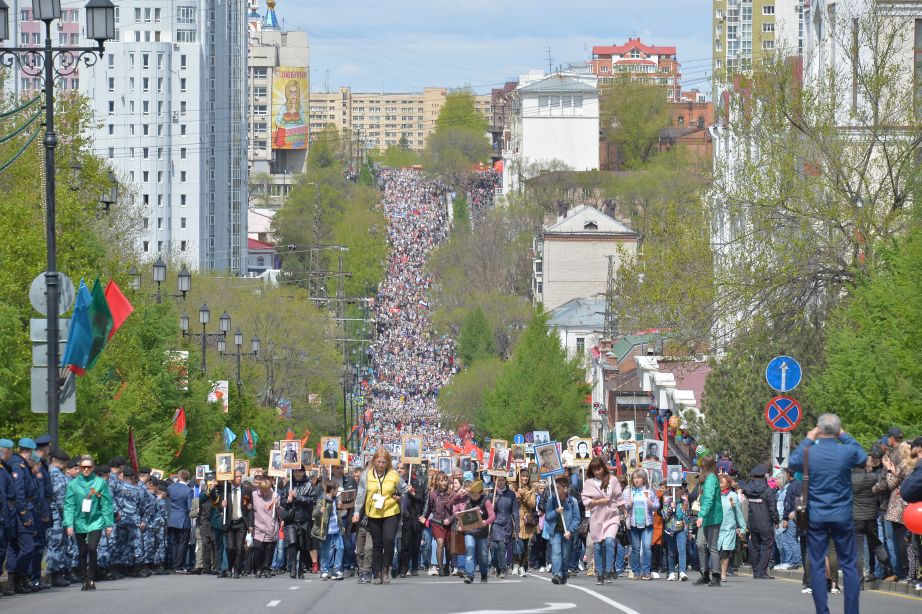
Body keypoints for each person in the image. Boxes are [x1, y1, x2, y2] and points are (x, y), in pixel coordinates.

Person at [788, 413, 867, 614]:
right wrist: (844, 435)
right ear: (838, 430)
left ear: (819, 429)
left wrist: (809, 438)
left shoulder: (809, 452)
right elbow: (862, 456)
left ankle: (822, 611)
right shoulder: (846, 451)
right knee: (848, 565)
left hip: (817, 515)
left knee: (816, 564)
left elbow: (793, 462)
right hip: (842, 514)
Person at [353, 448, 407, 585]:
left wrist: (399, 496)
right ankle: (377, 573)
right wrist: (356, 512)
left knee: (388, 540)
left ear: (388, 462)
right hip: (373, 513)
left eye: (384, 462)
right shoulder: (366, 475)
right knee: (376, 544)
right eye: (378, 462)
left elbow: (404, 489)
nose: (381, 465)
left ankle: (385, 570)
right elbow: (360, 494)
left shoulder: (394, 475)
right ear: (374, 461)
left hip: (391, 511)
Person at [63, 455, 114, 591]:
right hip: (79, 521)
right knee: (82, 551)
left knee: (92, 548)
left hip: (95, 521)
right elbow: (69, 505)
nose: (85, 469)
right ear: (79, 468)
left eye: (88, 467)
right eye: (83, 467)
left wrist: (108, 524)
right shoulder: (73, 484)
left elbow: (106, 504)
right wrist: (69, 524)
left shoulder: (100, 483)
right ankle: (84, 578)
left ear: (93, 468)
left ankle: (91, 578)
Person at [582, 457, 625, 584]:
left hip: (612, 516)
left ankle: (609, 569)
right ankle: (600, 573)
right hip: (596, 517)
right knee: (597, 546)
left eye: (599, 468)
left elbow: (619, 496)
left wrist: (625, 511)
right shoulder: (589, 482)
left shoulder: (613, 479)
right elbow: (585, 500)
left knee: (610, 542)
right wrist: (597, 501)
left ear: (603, 467)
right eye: (594, 469)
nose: (597, 472)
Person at [740, 464, 779, 579]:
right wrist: (776, 520)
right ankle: (762, 571)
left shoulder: (748, 490)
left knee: (755, 547)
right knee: (766, 547)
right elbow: (772, 508)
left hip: (753, 522)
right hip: (765, 523)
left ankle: (756, 571)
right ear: (764, 476)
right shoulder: (767, 490)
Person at [694, 454, 723, 587]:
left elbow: (709, 499)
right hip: (705, 516)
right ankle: (704, 573)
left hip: (713, 517)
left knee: (712, 546)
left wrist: (701, 515)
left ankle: (716, 576)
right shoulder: (706, 479)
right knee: (700, 544)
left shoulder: (711, 478)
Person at [624, 468, 659, 580]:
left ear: (643, 479)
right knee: (636, 549)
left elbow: (657, 505)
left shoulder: (649, 491)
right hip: (634, 524)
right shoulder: (628, 492)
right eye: (634, 478)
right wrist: (628, 504)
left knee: (647, 547)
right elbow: (623, 506)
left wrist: (651, 505)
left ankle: (646, 571)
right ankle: (636, 572)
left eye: (639, 477)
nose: (636, 480)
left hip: (647, 524)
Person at [545, 475, 580, 585]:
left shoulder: (573, 501)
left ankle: (564, 573)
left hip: (566, 532)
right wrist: (555, 512)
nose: (555, 490)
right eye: (555, 488)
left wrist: (570, 531)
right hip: (555, 531)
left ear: (565, 489)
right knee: (556, 552)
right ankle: (557, 574)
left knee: (565, 555)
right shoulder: (551, 500)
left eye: (558, 488)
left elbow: (577, 519)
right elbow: (547, 517)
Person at [716, 474, 746, 581]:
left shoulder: (733, 496)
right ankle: (717, 572)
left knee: (725, 552)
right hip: (716, 529)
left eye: (722, 483)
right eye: (719, 482)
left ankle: (723, 574)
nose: (720, 485)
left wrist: (742, 528)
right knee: (717, 552)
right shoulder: (715, 495)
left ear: (728, 484)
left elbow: (738, 513)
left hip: (729, 529)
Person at [490, 475, 519, 579]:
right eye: (499, 480)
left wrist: (517, 527)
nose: (501, 482)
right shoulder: (491, 494)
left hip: (507, 524)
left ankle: (498, 566)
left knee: (502, 548)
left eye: (502, 480)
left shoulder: (511, 494)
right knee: (499, 546)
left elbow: (515, 511)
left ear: (505, 481)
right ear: (495, 481)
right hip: (496, 523)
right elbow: (485, 511)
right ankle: (502, 569)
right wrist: (491, 507)